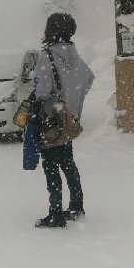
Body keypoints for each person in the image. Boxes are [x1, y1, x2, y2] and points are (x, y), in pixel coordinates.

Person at [33, 12, 94, 228]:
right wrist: (71, 104)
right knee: (68, 163)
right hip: (69, 120)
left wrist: (53, 104)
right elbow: (88, 79)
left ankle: (56, 213)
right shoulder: (74, 55)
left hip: (51, 120)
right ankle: (77, 206)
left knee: (50, 165)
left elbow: (41, 91)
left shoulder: (47, 56)